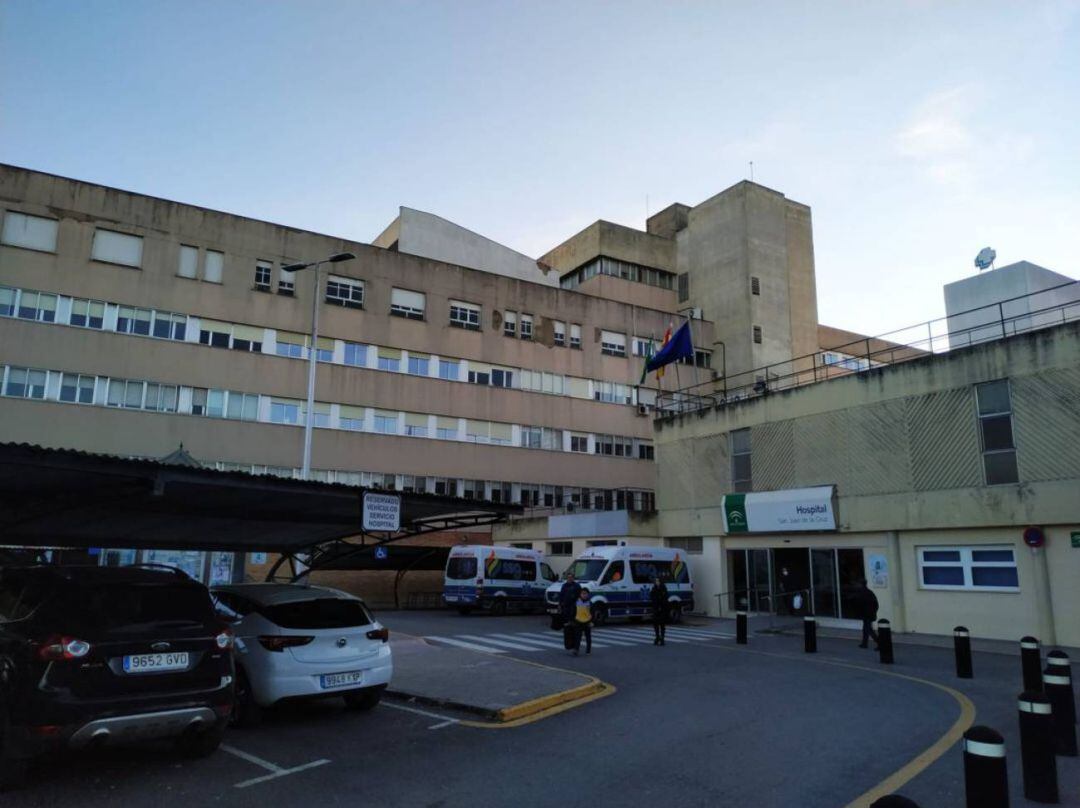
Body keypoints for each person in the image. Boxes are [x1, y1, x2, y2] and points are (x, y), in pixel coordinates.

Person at [856, 579, 879, 649]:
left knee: (868, 629)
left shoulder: (863, 593)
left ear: (861, 584)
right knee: (866, 629)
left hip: (867, 614)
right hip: (868, 614)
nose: (857, 585)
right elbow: (875, 604)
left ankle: (880, 643)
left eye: (858, 584)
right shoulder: (869, 592)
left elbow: (861, 604)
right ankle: (864, 643)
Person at [572, 587, 593, 656]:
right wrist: (573, 620)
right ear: (580, 594)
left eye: (585, 594)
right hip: (578, 621)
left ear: (588, 594)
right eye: (582, 593)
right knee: (577, 636)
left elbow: (592, 612)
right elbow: (573, 611)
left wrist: (591, 622)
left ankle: (588, 650)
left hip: (587, 621)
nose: (584, 595)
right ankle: (576, 650)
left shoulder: (590, 603)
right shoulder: (577, 601)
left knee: (588, 637)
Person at [650, 576, 669, 646]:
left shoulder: (663, 589)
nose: (657, 582)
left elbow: (665, 599)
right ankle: (657, 637)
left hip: (662, 609)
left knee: (662, 625)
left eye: (658, 581)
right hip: (655, 609)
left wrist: (661, 606)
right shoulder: (654, 588)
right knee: (655, 624)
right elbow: (651, 596)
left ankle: (662, 639)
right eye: (656, 581)